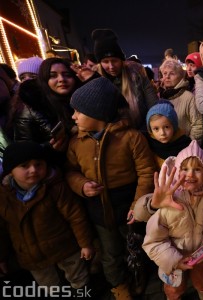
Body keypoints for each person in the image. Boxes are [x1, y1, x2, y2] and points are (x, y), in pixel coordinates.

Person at [65, 77, 156, 299]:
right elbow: (70, 171)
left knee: (135, 247)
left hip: (128, 207)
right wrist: (82, 185)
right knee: (110, 253)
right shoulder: (77, 142)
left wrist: (138, 205)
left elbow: (146, 172)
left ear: (97, 113)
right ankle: (118, 286)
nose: (73, 116)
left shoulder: (132, 138)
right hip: (99, 211)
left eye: (78, 111)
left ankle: (138, 277)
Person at [0, 141, 95, 291]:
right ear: (11, 170)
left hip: (64, 247)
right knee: (49, 286)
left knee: (79, 279)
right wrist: (2, 257)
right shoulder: (4, 196)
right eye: (24, 166)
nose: (33, 170)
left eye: (38, 164)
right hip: (31, 256)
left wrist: (85, 244)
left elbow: (75, 216)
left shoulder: (55, 187)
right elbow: (3, 230)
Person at [142, 140, 203, 300]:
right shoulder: (169, 200)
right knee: (174, 288)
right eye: (184, 169)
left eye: (197, 169)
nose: (190, 174)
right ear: (176, 172)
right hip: (175, 259)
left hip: (200, 255)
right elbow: (153, 241)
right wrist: (174, 261)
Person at [92, 28, 158, 131]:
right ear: (100, 63)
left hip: (141, 130)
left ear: (122, 60)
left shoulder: (137, 75)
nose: (111, 66)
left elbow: (154, 106)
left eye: (114, 60)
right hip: (112, 136)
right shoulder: (94, 80)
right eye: (105, 61)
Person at [159, 59, 203, 144]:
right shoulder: (160, 97)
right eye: (165, 73)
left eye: (172, 73)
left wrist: (189, 147)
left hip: (184, 148)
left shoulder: (188, 97)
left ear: (180, 77)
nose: (167, 77)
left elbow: (198, 126)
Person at [145, 99, 191, 169]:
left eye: (166, 127)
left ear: (174, 126)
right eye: (156, 129)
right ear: (150, 130)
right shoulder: (148, 144)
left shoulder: (185, 144)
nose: (162, 133)